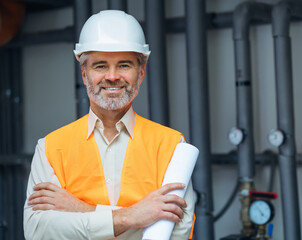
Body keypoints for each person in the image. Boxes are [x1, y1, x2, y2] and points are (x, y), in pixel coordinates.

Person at [23, 10, 195, 240]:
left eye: (124, 65)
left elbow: (177, 231)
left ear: (141, 73)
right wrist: (131, 217)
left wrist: (80, 210)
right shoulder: (51, 148)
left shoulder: (172, 146)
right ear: (84, 75)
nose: (112, 76)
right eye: (101, 66)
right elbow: (38, 232)